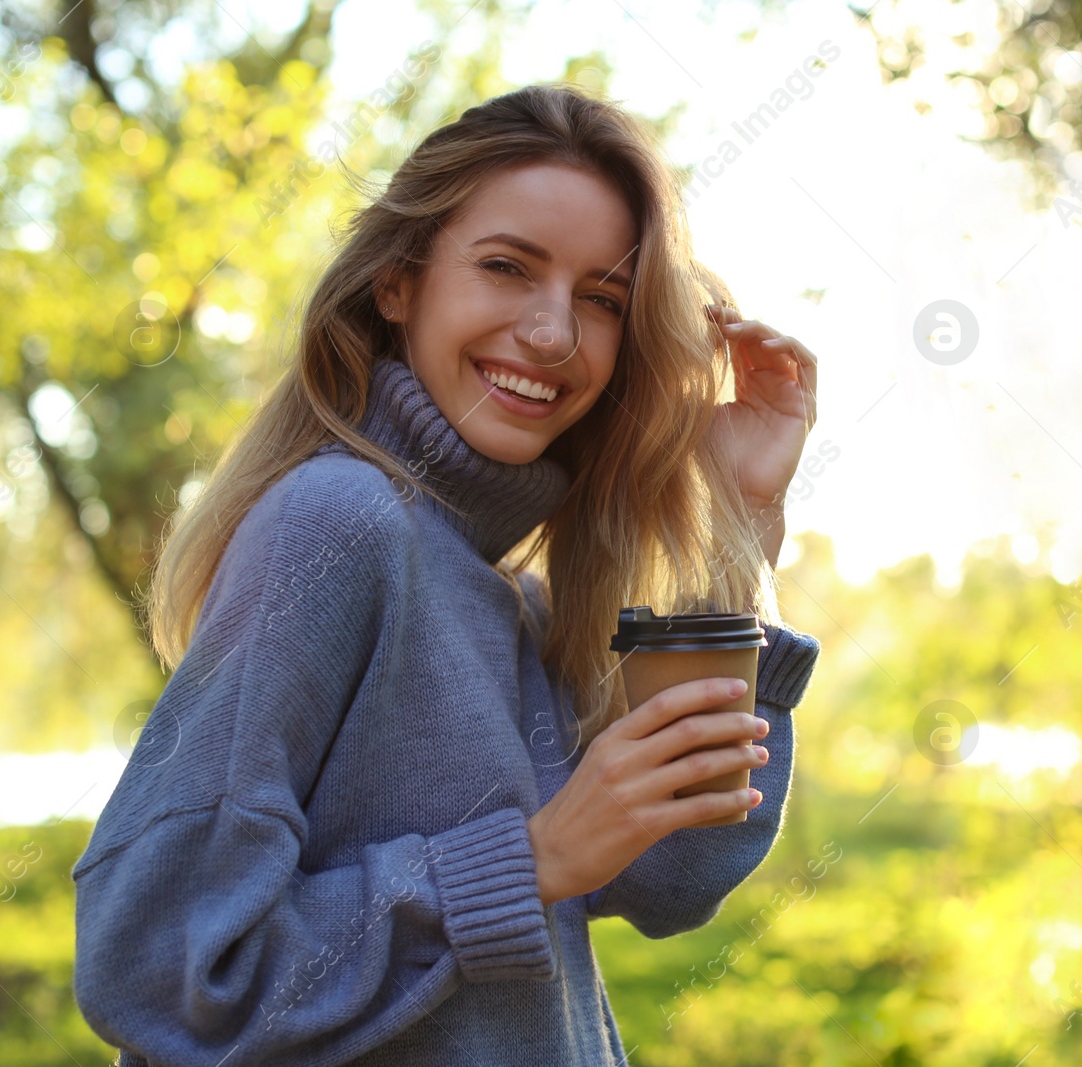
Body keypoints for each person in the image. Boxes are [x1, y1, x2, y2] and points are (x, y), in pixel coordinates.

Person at [71, 81, 823, 1066]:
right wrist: (532, 858)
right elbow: (160, 961)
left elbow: (670, 878)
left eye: (601, 297)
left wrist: (742, 518)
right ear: (399, 282)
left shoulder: (507, 591)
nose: (552, 333)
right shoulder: (336, 526)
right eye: (508, 267)